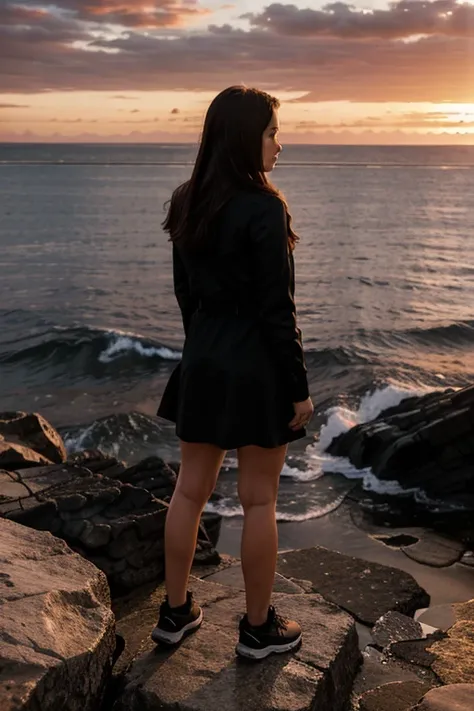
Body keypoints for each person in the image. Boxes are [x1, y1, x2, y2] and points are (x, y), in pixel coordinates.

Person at [151, 85, 314, 660]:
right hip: (258, 371)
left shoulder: (186, 198)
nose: (279, 145)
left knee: (187, 493)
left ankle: (173, 615)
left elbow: (185, 296)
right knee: (259, 501)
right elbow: (278, 310)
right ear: (246, 137)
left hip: (203, 361)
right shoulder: (265, 207)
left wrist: (204, 353)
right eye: (272, 133)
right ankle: (257, 629)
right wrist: (298, 390)